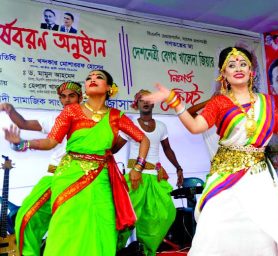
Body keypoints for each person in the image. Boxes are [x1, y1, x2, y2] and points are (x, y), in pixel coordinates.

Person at [143, 47, 278, 255]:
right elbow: (195, 127)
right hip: (226, 174)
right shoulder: (219, 102)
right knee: (216, 223)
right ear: (224, 73)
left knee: (261, 229)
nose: (238, 68)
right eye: (231, 65)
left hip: (258, 176)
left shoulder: (266, 101)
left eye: (243, 63)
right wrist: (173, 100)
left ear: (251, 71)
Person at [5, 70, 151, 255]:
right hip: (69, 174)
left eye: (98, 77)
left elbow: (143, 139)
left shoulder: (117, 116)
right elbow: (51, 141)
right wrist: (22, 144)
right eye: (89, 78)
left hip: (101, 178)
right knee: (66, 223)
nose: (92, 80)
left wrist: (138, 167)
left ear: (109, 88)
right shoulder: (71, 111)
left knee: (103, 223)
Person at [0, 81, 97, 256]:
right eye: (63, 97)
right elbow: (23, 124)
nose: (67, 100)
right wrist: (10, 110)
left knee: (74, 226)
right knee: (26, 217)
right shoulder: (54, 120)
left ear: (81, 97)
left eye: (72, 96)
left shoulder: (93, 121)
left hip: (78, 180)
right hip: (52, 177)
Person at [116, 90, 182, 255]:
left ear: (153, 104)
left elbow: (167, 149)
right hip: (135, 177)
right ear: (136, 104)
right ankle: (114, 249)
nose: (145, 103)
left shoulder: (161, 126)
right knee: (126, 218)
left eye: (148, 100)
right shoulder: (131, 123)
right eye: (141, 100)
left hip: (155, 177)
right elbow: (116, 147)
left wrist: (178, 168)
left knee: (162, 215)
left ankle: (146, 252)